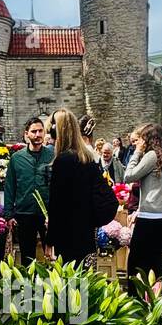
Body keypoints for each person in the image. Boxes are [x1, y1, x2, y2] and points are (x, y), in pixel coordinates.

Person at [46, 110, 119, 265]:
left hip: (67, 236)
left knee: (69, 284)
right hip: (85, 234)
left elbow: (56, 205)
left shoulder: (62, 160)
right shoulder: (86, 158)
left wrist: (50, 240)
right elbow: (107, 198)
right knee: (85, 283)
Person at [124, 123, 162, 280]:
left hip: (149, 217)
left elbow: (129, 175)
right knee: (155, 261)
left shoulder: (152, 156)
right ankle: (154, 295)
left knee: (136, 262)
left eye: (141, 138)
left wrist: (137, 152)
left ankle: (137, 297)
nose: (139, 142)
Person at [3, 115, 54, 265]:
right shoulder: (17, 158)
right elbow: (10, 186)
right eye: (34, 131)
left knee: (52, 256)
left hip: (48, 215)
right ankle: (29, 286)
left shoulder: (52, 156)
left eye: (40, 131)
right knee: (27, 256)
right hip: (24, 213)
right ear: (27, 134)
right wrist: (8, 214)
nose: (37, 135)